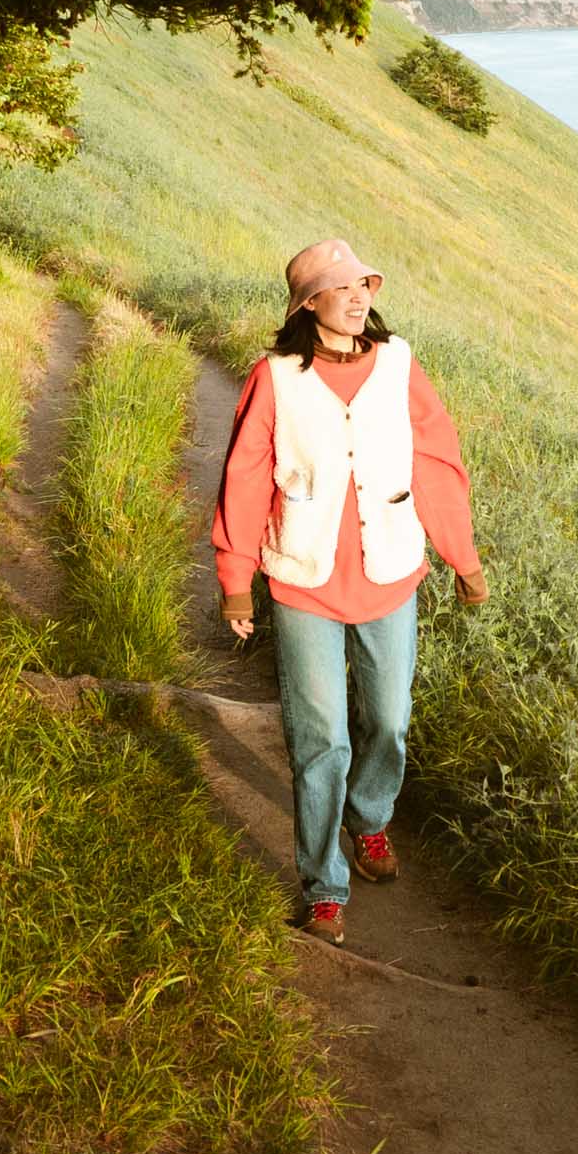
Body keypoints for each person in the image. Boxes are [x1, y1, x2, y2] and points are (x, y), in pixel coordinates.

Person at [211, 237, 487, 946]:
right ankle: (324, 888)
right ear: (309, 304)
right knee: (320, 741)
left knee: (389, 721)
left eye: (364, 283)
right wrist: (237, 581)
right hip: (302, 581)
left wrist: (463, 557)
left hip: (389, 573)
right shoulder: (275, 378)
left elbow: (436, 463)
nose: (359, 296)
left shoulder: (398, 365)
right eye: (341, 287)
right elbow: (245, 477)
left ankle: (369, 819)